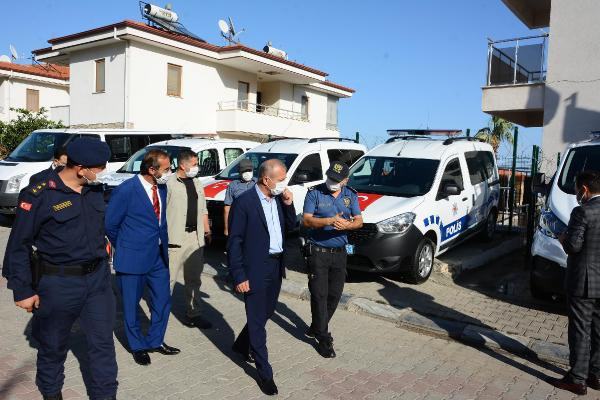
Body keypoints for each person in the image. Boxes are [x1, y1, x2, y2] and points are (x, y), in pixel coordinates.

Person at [2, 137, 117, 400]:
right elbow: (19, 244)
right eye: (99, 167)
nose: (103, 172)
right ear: (81, 168)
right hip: (58, 283)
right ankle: (51, 394)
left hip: (97, 281)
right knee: (53, 347)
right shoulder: (39, 194)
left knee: (102, 345)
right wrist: (23, 290)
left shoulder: (95, 190)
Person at [105, 149, 180, 366]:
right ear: (152, 170)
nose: (170, 172)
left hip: (158, 257)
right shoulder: (126, 190)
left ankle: (155, 340)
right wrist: (126, 247)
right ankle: (137, 346)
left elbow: (159, 221)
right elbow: (110, 225)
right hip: (132, 258)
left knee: (163, 301)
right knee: (131, 305)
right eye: (166, 169)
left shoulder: (161, 188)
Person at [227, 159, 296, 396]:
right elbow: (234, 241)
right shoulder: (244, 202)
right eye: (281, 180)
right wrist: (239, 275)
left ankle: (241, 345)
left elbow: (291, 228)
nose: (284, 184)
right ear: (267, 179)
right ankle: (265, 372)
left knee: (266, 312)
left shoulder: (278, 199)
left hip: (275, 266)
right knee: (257, 321)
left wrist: (289, 204)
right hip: (255, 268)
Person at [302, 161, 363, 358]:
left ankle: (316, 327)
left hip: (340, 253)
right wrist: (328, 221)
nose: (332, 182)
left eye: (336, 180)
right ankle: (324, 339)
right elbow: (306, 220)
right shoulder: (315, 193)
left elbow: (359, 221)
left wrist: (348, 225)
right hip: (318, 252)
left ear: (345, 180)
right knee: (319, 294)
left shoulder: (350, 195)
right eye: (330, 177)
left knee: (335, 295)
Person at [551, 170, 600, 395]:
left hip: (583, 283)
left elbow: (573, 246)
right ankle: (596, 375)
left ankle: (577, 379)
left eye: (576, 189)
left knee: (580, 330)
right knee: (598, 330)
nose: (576, 194)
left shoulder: (582, 212)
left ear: (584, 190)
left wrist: (563, 237)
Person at [166, 149, 212, 329]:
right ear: (182, 165)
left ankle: (194, 314)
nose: (197, 167)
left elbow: (203, 209)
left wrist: (207, 231)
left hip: (195, 237)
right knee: (168, 280)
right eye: (194, 164)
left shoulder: (197, 182)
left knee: (194, 279)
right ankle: (160, 316)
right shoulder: (169, 183)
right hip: (175, 238)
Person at [223, 159, 256, 236]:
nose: (247, 173)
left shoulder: (258, 183)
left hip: (255, 223)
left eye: (249, 170)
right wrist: (226, 228)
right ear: (239, 172)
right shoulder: (233, 185)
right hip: (238, 224)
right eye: (244, 171)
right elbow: (227, 208)